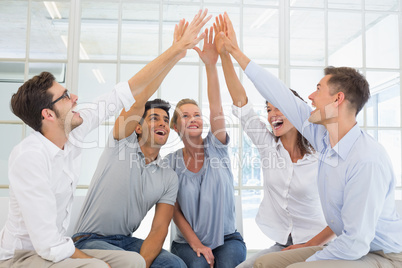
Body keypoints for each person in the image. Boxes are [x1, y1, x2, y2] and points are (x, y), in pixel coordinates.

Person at [216, 12, 402, 268]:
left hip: (378, 252)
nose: (310, 96)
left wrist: (309, 255)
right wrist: (234, 52)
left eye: (318, 89)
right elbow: (277, 92)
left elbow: (356, 241)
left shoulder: (366, 159)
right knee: (260, 265)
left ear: (337, 100)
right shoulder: (323, 137)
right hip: (344, 245)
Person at [71, 10, 211, 268]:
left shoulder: (168, 176)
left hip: (126, 242)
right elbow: (138, 96)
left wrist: (143, 264)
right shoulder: (121, 145)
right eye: (153, 118)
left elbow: (158, 231)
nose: (160, 124)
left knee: (175, 265)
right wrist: (176, 54)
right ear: (136, 127)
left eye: (164, 121)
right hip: (89, 241)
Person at [213, 15, 331, 268]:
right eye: (268, 109)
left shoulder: (322, 154)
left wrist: (310, 246)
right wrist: (224, 54)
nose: (272, 114)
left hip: (322, 244)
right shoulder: (268, 147)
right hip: (284, 243)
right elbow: (241, 102)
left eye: (279, 108)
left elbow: (342, 214)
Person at [165, 26, 246, 268]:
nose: (194, 119)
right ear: (176, 127)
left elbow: (217, 108)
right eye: (186, 116)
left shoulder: (217, 146)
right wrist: (196, 244)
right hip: (187, 242)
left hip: (228, 239)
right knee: (198, 266)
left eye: (197, 114)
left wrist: (211, 65)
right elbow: (174, 211)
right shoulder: (170, 163)